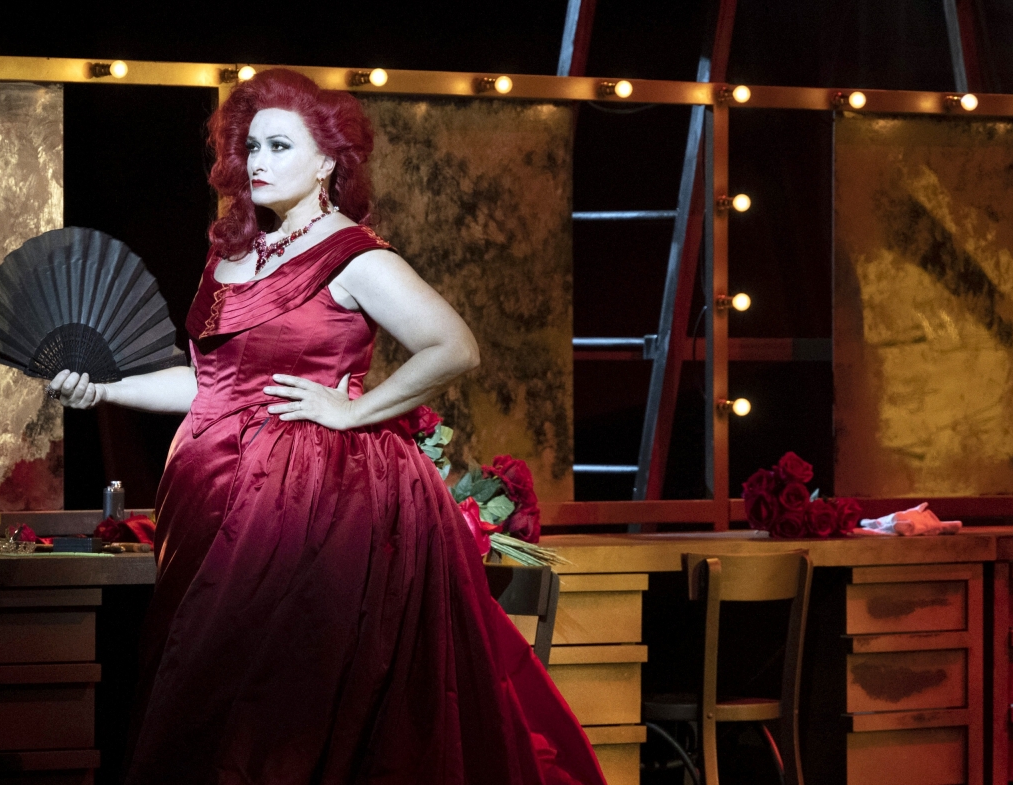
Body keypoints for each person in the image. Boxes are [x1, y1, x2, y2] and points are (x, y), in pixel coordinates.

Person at [46, 69, 604, 785]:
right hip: (211, 500)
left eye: (280, 146)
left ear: (328, 163)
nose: (259, 162)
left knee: (283, 703)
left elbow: (453, 344)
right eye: (251, 146)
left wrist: (353, 408)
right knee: (203, 683)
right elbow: (209, 384)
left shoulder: (353, 255)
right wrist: (104, 386)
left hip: (310, 505)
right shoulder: (232, 257)